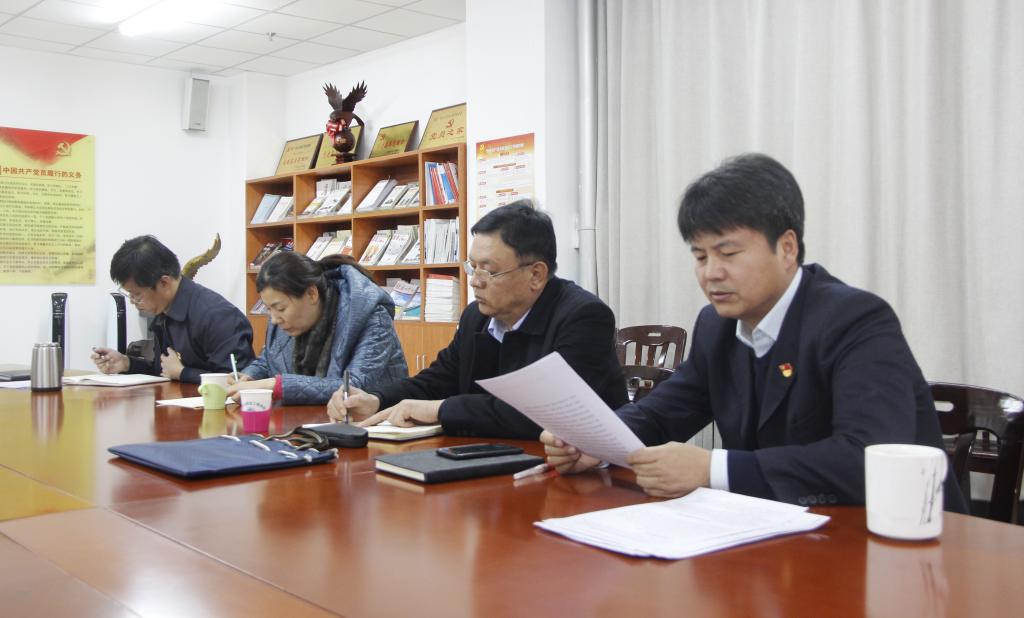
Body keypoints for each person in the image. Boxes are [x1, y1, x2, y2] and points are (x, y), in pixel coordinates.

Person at [542, 154, 966, 511]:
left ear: (787, 248)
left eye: (728, 253)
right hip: (778, 536)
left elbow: (865, 459)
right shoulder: (716, 326)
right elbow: (663, 412)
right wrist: (592, 441)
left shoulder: (855, 320)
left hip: (901, 540)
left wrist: (711, 469)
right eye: (700, 256)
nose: (711, 273)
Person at [327, 200, 628, 438]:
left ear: (536, 274)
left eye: (489, 270)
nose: (475, 281)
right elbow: (438, 379)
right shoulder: (477, 317)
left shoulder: (583, 317)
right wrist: (377, 399)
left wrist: (441, 410)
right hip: (494, 457)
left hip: (582, 468)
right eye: (472, 267)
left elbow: (544, 411)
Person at [228, 251, 406, 404]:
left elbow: (353, 385)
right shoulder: (286, 319)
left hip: (372, 422)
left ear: (312, 293)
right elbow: (269, 359)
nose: (274, 319)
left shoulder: (371, 316)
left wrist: (275, 385)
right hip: (305, 420)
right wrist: (250, 376)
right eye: (269, 309)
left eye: (280, 308)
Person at [91, 235, 255, 384]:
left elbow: (238, 380)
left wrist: (183, 373)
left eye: (137, 295)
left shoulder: (217, 316)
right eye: (130, 294)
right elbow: (164, 370)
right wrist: (126, 363)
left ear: (164, 283)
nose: (133, 302)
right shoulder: (164, 311)